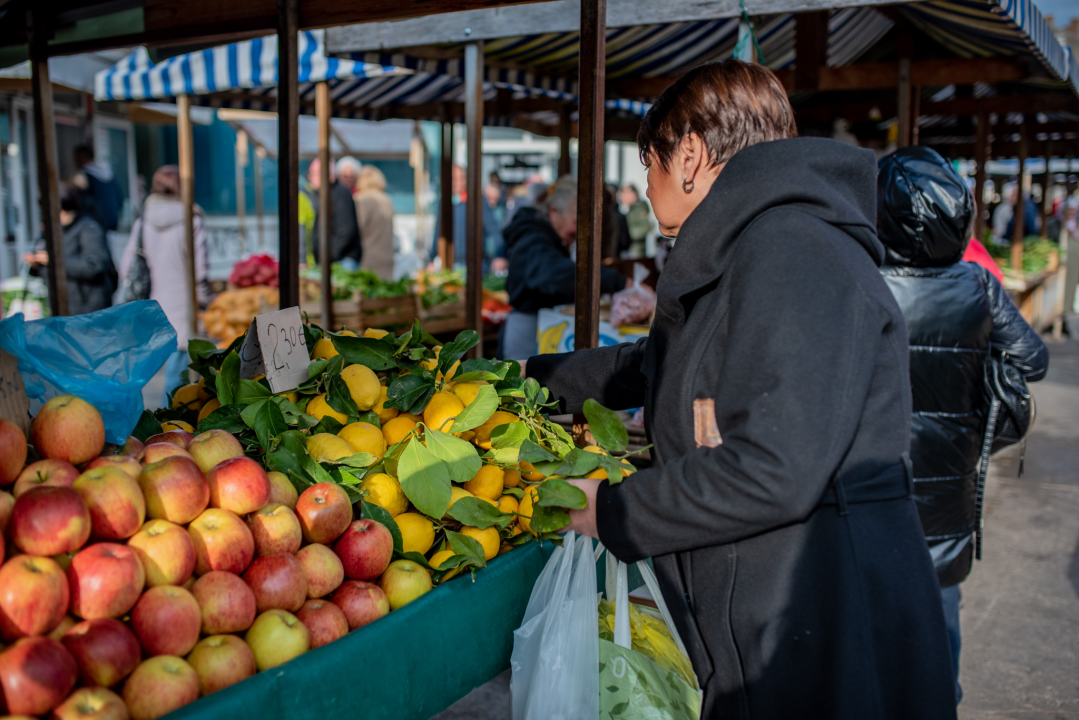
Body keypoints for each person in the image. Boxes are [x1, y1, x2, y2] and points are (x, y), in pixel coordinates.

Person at [526, 59, 958, 718]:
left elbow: (773, 467)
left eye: (650, 164)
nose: (645, 188)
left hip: (827, 632)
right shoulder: (760, 243)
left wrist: (610, 510)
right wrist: (527, 383)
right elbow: (661, 361)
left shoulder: (792, 247)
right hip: (790, 618)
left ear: (691, 156)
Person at [876, 146, 1049, 704]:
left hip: (871, 483)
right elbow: (1033, 361)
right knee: (939, 627)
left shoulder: (862, 283)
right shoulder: (978, 285)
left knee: (870, 631)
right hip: (949, 488)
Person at [502, 176, 628, 360]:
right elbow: (553, 274)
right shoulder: (533, 238)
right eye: (576, 223)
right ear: (554, 212)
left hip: (543, 325)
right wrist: (616, 281)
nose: (578, 233)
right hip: (527, 330)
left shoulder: (545, 236)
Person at [119, 166, 212, 402]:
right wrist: (205, 300)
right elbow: (200, 271)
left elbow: (126, 267)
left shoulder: (143, 221)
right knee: (177, 375)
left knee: (144, 369)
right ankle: (170, 423)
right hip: (183, 306)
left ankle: (141, 422)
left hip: (151, 304)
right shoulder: (192, 221)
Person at [24, 182, 116, 315]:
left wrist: (54, 260)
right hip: (58, 305)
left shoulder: (89, 229)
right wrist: (35, 264)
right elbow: (46, 268)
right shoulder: (49, 231)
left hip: (88, 309)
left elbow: (95, 266)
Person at [431, 165, 506, 273]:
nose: (456, 183)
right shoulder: (443, 202)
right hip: (448, 263)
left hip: (473, 264)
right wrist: (432, 257)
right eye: (453, 179)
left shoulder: (477, 201)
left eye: (460, 178)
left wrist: (499, 255)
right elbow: (438, 231)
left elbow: (494, 230)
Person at [308, 158, 362, 270]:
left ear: (329, 175)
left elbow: (346, 230)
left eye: (314, 173)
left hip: (341, 261)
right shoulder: (327, 194)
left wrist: (329, 255)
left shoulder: (339, 194)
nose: (310, 177)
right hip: (336, 260)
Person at [355, 165, 396, 280]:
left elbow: (356, 229)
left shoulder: (363, 200)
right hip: (387, 257)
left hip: (368, 259)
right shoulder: (387, 199)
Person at [73, 144, 124, 233]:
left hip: (96, 223)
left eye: (77, 158)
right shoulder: (108, 172)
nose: (75, 162)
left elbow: (83, 203)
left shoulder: (84, 177)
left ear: (82, 158)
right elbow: (120, 198)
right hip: (112, 220)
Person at [618, 183, 653, 257]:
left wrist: (626, 233)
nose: (622, 197)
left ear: (634, 194)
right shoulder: (632, 208)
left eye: (625, 193)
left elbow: (645, 227)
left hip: (637, 250)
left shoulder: (639, 208)